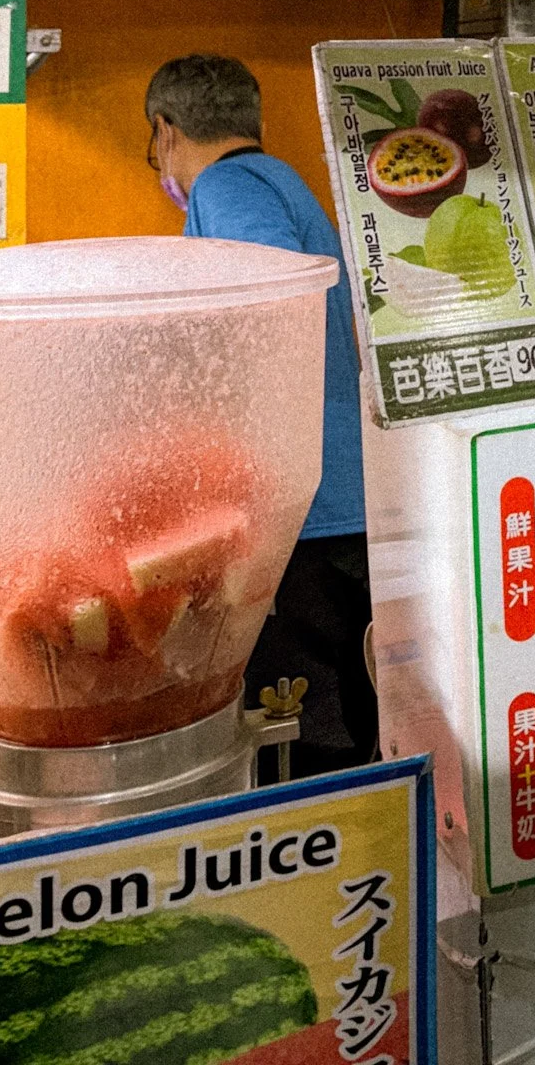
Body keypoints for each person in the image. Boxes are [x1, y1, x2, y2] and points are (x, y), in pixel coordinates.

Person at [145, 53, 377, 775]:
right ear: (258, 120)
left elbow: (270, 296)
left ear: (166, 130)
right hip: (342, 487)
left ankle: (313, 855)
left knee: (302, 727)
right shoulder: (283, 179)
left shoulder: (226, 183)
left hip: (299, 505)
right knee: (348, 704)